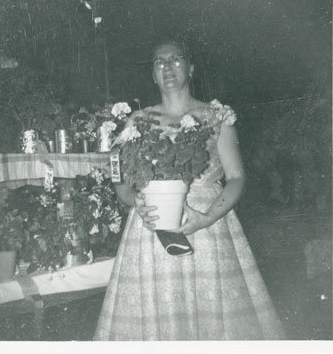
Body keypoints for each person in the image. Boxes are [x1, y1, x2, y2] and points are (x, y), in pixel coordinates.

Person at [93, 39, 286, 340]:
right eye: (159, 61)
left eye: (176, 59)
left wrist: (207, 218)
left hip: (207, 223)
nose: (167, 66)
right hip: (152, 226)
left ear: (191, 68)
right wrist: (133, 200)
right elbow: (117, 173)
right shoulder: (138, 120)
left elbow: (236, 177)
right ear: (153, 74)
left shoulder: (217, 116)